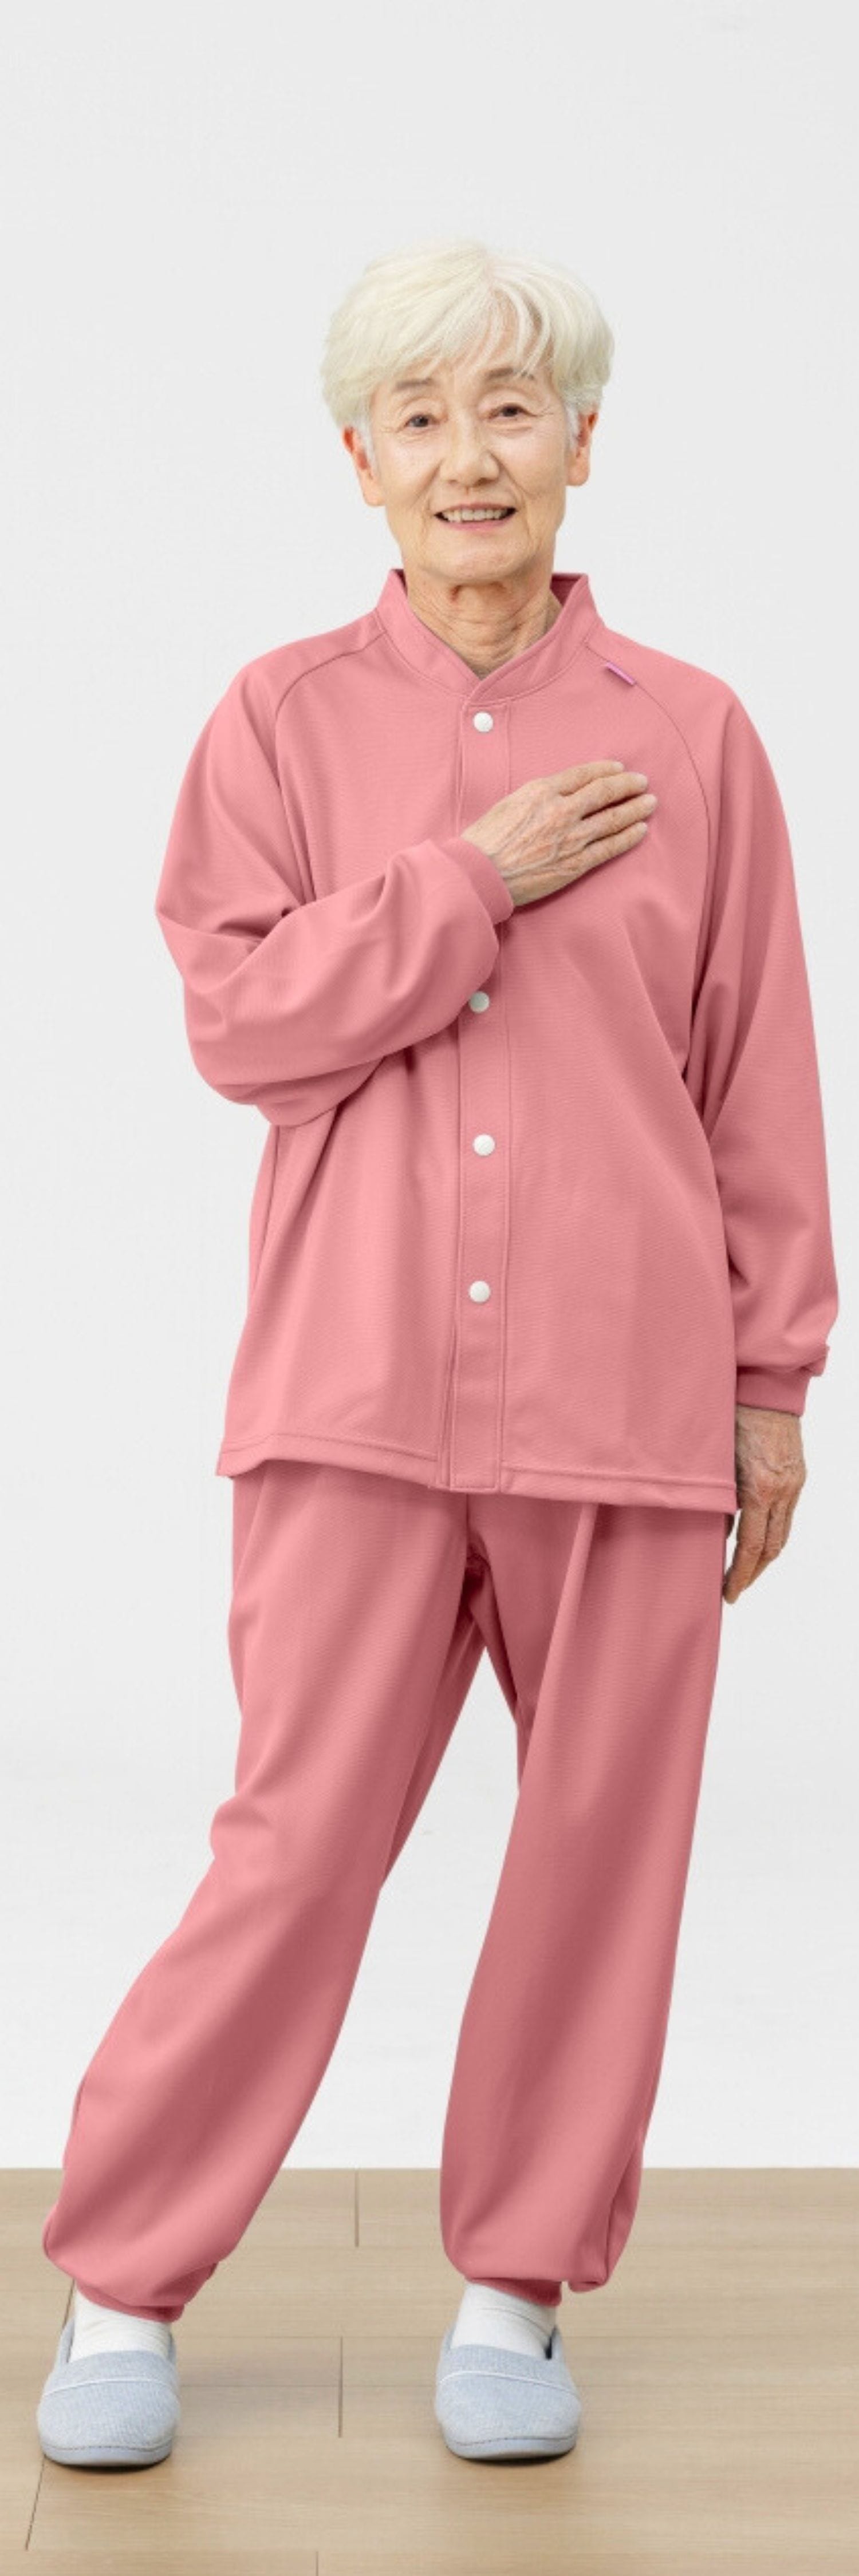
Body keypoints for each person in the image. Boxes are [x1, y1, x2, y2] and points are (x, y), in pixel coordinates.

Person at [37, 236, 838, 2471]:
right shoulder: (280, 726)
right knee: (295, 1845)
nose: (469, 453)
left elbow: (756, 1073)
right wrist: (468, 877)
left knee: (597, 1857)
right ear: (359, 460)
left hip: (629, 1392)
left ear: (582, 441)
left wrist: (774, 1382)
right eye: (421, 414)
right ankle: (124, 2282)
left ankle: (513, 2292)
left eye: (511, 406)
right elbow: (244, 1024)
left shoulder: (695, 736)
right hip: (355, 1392)